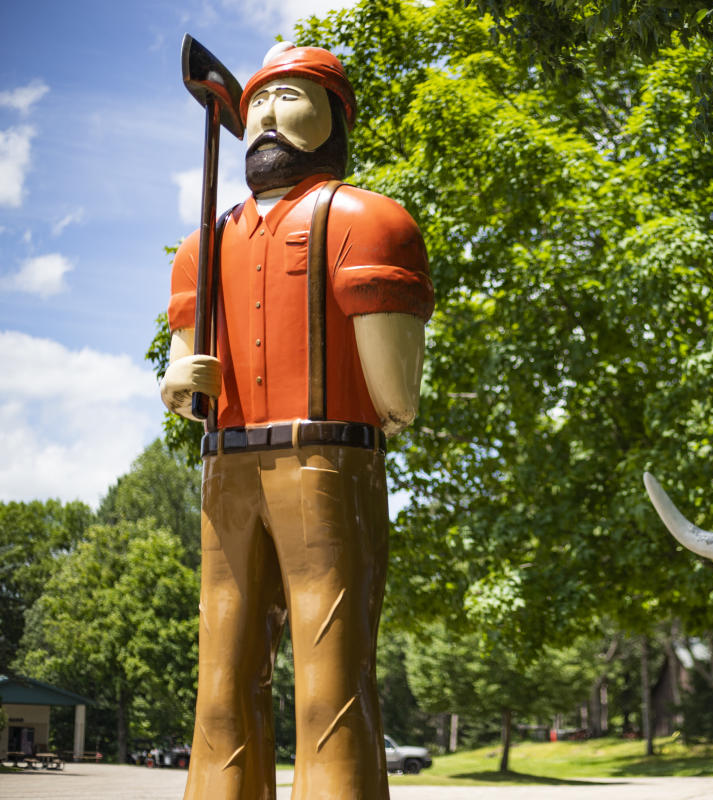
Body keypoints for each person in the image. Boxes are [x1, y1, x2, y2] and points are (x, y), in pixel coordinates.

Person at [159, 41, 433, 800]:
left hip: (325, 459)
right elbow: (184, 378)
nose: (265, 118)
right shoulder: (202, 246)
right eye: (256, 104)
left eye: (288, 97)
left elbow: (395, 397)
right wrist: (179, 383)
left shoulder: (371, 222)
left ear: (335, 116)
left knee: (328, 675)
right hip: (235, 464)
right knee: (224, 675)